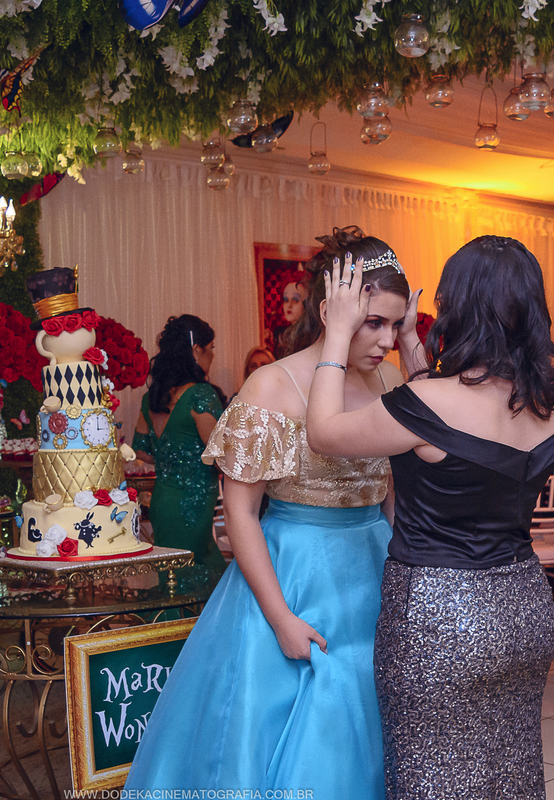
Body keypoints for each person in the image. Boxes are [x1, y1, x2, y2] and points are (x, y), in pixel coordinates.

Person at [125, 226, 417, 795]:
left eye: (395, 324)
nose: (385, 340)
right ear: (331, 311)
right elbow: (240, 513)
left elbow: (390, 494)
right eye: (373, 323)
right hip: (295, 573)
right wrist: (280, 618)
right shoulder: (270, 387)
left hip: (375, 566)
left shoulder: (387, 378)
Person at [306, 235, 554, 799]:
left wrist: (337, 335)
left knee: (432, 774)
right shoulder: (552, 401)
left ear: (460, 307)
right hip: (524, 608)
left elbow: (324, 432)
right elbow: (448, 415)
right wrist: (410, 344)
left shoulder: (427, 406)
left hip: (439, 616)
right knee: (508, 774)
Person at [132, 315, 225, 569]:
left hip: (163, 500)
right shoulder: (201, 395)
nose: (213, 355)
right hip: (193, 504)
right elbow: (220, 457)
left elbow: (141, 450)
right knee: (201, 569)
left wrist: (172, 458)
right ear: (197, 350)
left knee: (172, 572)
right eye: (211, 347)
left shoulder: (152, 398)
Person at [275, 273, 312, 357]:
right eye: (286, 300)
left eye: (295, 300)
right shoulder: (281, 335)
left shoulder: (310, 336)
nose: (289, 305)